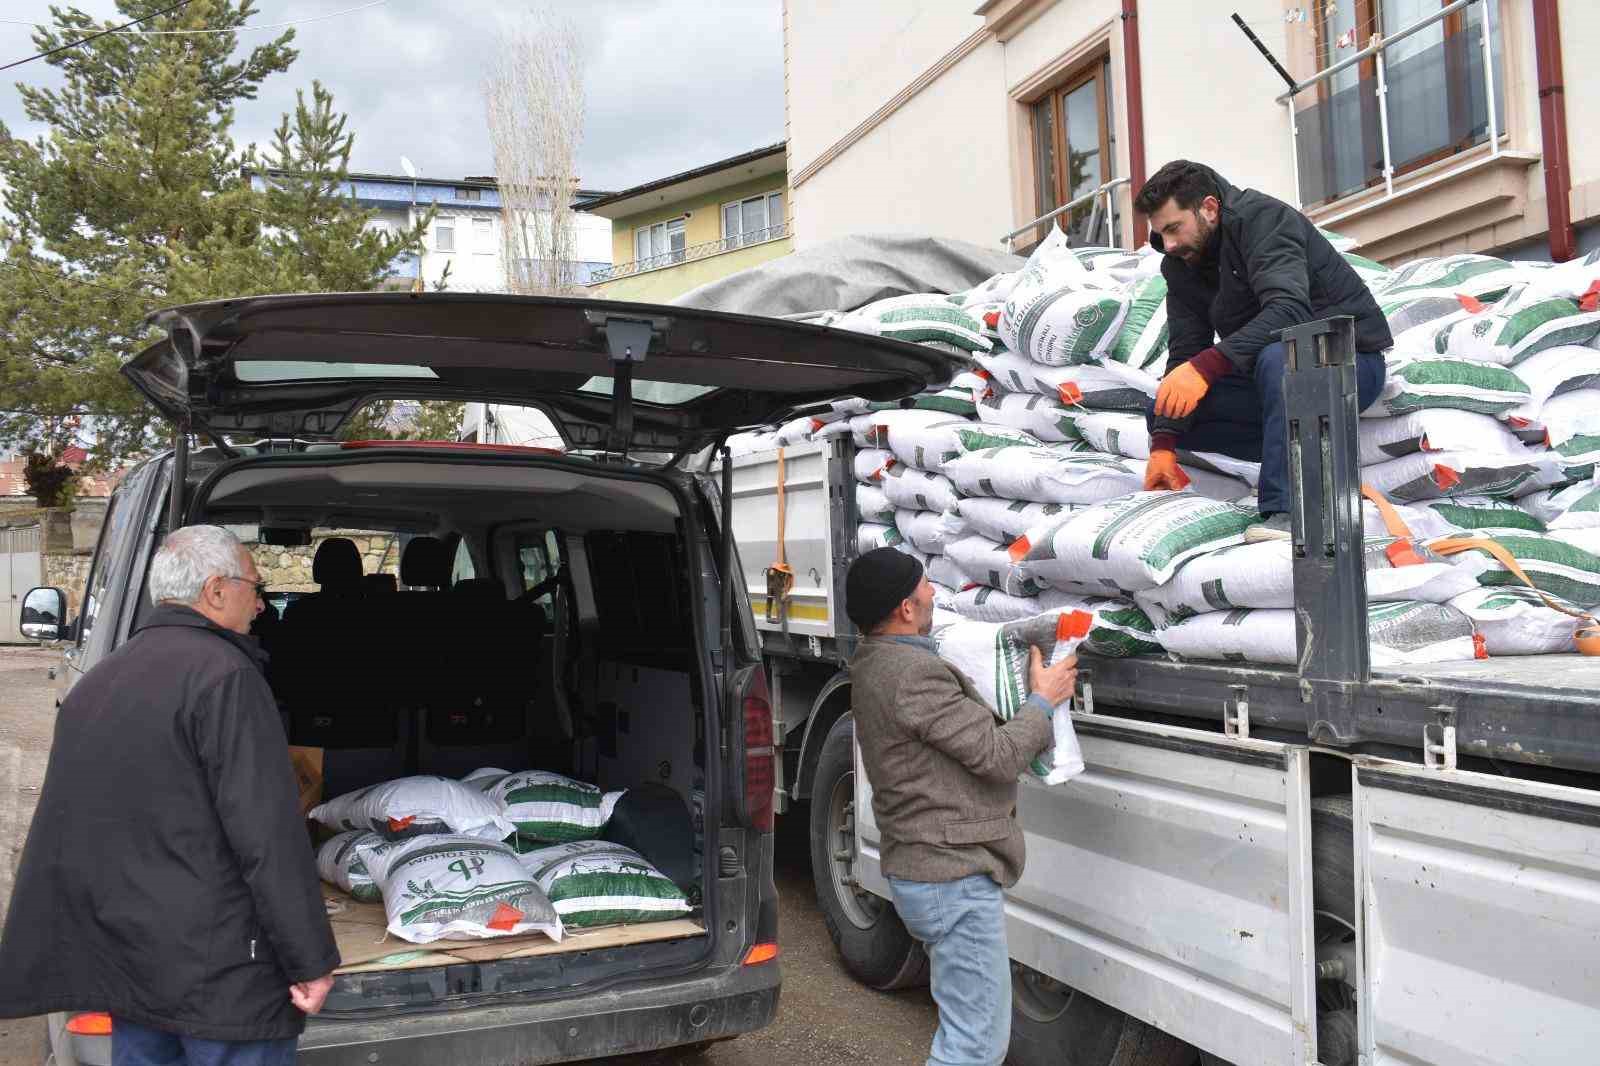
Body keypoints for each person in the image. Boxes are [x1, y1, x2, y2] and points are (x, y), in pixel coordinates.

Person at [0, 525, 340, 1066]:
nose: (261, 601)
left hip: (135, 972)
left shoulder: (103, 678)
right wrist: (310, 959)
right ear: (215, 590)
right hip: (223, 979)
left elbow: (73, 827)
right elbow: (267, 838)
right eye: (255, 585)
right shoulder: (227, 677)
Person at [844, 547, 1077, 1066]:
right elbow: (998, 756)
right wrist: (1043, 700)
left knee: (968, 1035)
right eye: (925, 586)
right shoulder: (913, 675)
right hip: (950, 878)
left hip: (928, 871)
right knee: (974, 1045)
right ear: (906, 608)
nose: (933, 593)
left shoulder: (876, 664)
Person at [1134, 159, 1394, 540]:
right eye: (1161, 233)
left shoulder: (1264, 219)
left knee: (1282, 357)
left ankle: (1286, 511)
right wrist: (1164, 442)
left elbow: (1290, 311)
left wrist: (1206, 367)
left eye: (1174, 228)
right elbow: (1187, 351)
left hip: (1346, 362)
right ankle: (1304, 449)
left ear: (1209, 207)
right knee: (1165, 405)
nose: (1168, 244)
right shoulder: (1179, 263)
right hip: (1271, 377)